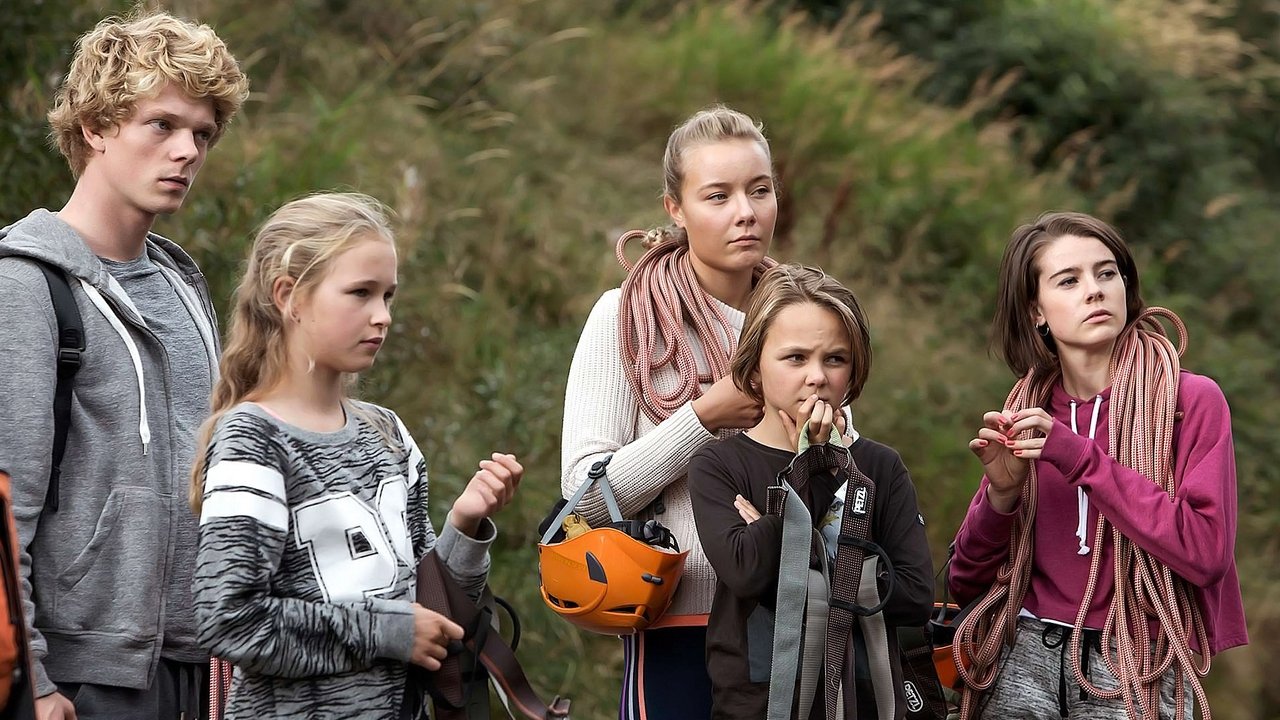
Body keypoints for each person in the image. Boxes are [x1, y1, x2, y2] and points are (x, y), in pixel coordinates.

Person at [188, 193, 522, 719]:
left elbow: (430, 610)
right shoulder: (254, 440)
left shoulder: (386, 433)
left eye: (388, 295)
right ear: (288, 297)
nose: (382, 316)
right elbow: (228, 619)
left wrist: (465, 525)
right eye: (360, 293)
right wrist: (388, 631)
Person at [0, 9, 248, 719]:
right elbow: (3, 506)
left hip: (199, 666)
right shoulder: (26, 285)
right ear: (96, 127)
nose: (187, 152)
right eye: (162, 125)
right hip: (81, 675)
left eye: (202, 133)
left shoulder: (182, 282)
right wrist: (33, 682)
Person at [948, 212, 1249, 720]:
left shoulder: (1188, 401)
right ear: (1035, 311)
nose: (1095, 290)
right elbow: (965, 583)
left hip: (1139, 661)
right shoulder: (1028, 414)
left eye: (1107, 273)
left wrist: (1078, 456)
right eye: (1069, 280)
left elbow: (1206, 551)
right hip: (1026, 656)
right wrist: (1000, 499)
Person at [559, 105, 780, 719]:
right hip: (674, 626)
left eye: (759, 190)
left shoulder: (802, 320)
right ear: (675, 209)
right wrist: (703, 418)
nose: (745, 212)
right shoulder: (624, 316)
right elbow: (582, 498)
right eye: (718, 195)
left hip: (789, 621)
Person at [688, 263, 933, 719]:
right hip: (756, 705)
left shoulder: (880, 466)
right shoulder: (718, 465)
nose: (817, 376)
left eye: (834, 359)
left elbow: (915, 597)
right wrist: (816, 475)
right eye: (795, 358)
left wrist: (775, 533)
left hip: (866, 702)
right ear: (755, 367)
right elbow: (746, 573)